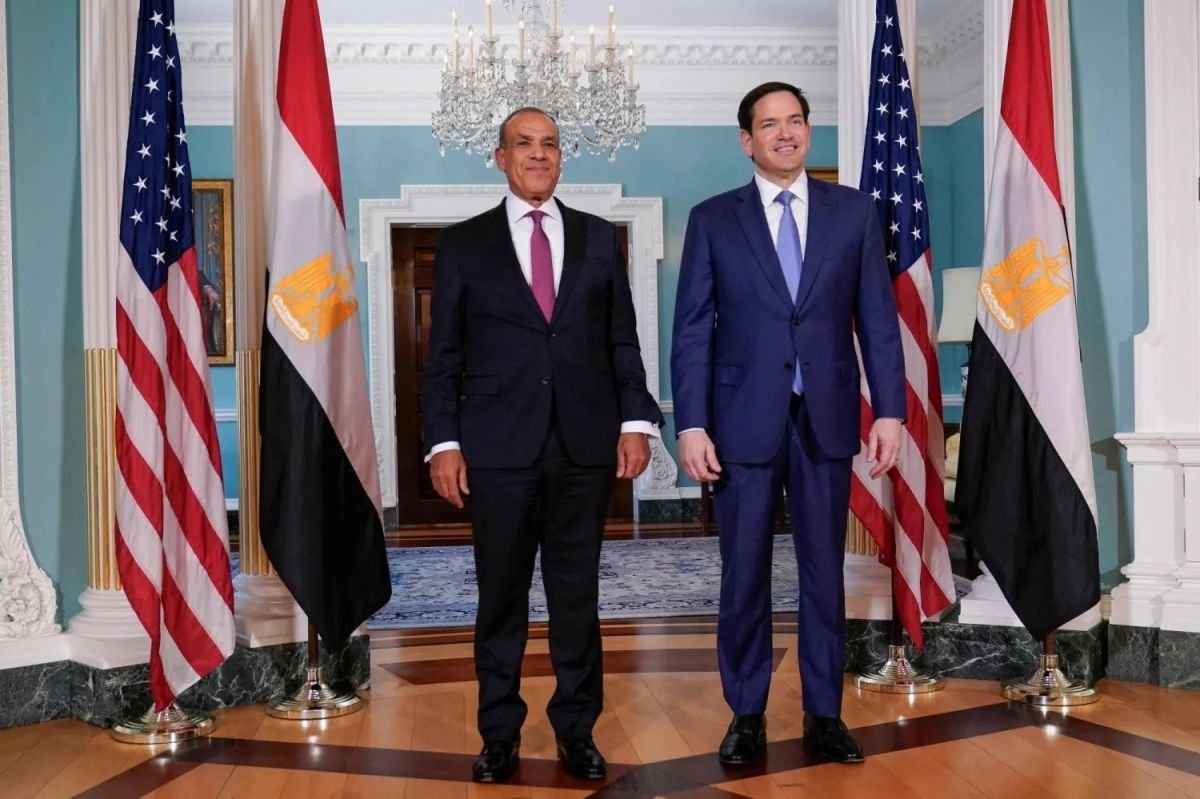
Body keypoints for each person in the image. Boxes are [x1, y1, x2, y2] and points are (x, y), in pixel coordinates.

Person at [423, 107, 663, 784]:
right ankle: (498, 735)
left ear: (562, 157)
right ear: (500, 157)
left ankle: (576, 732)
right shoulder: (463, 244)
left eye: (550, 144)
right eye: (524, 144)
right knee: (500, 601)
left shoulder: (598, 237)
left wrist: (636, 422)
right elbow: (443, 357)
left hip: (583, 447)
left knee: (576, 599)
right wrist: (444, 441)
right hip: (496, 449)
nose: (538, 154)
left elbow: (622, 340)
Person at [671, 82, 906, 767]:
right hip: (740, 423)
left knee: (823, 573)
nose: (784, 133)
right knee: (743, 572)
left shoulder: (853, 213)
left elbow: (878, 320)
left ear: (807, 130)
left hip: (826, 420)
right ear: (747, 140)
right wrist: (691, 424)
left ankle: (823, 713)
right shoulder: (713, 219)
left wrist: (889, 410)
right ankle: (745, 713)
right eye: (769, 124)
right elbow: (692, 330)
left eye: (795, 121)